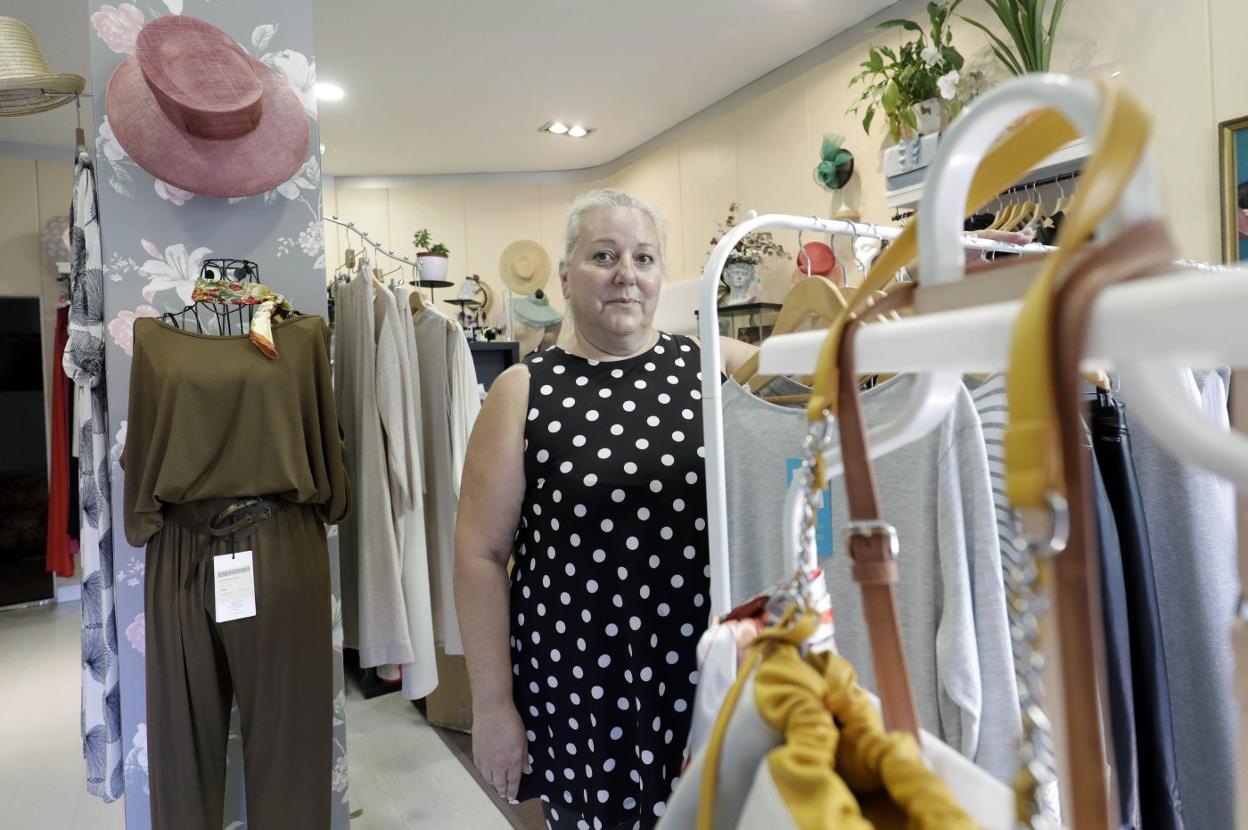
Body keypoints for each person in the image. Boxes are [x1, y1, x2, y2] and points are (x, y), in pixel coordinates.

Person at [454, 188, 754, 830]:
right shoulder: (524, 391)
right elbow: (479, 556)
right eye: (604, 255)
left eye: (644, 258)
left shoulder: (713, 364)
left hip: (700, 674)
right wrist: (492, 706)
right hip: (577, 685)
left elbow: (825, 386)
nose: (627, 274)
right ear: (565, 276)